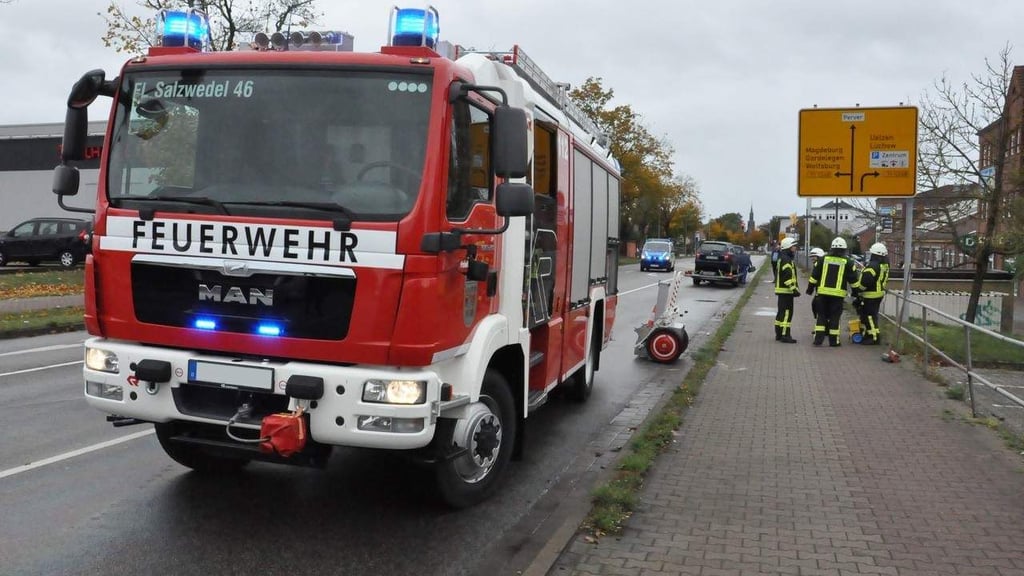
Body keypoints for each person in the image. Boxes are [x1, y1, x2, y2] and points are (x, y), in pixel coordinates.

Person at [807, 237, 859, 347]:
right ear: (844, 249)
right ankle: (834, 341)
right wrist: (856, 293)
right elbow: (853, 281)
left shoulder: (823, 259)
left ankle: (818, 340)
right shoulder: (848, 262)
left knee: (821, 316)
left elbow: (814, 277)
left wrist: (810, 289)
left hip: (822, 294)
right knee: (835, 317)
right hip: (837, 296)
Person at [851, 242, 890, 345]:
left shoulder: (872, 266)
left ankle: (874, 337)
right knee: (872, 316)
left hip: (870, 295)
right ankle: (870, 334)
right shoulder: (884, 265)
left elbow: (866, 281)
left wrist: (858, 291)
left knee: (869, 317)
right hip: (878, 294)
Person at [774, 237, 800, 343]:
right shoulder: (787, 259)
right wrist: (794, 289)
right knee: (787, 314)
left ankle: (779, 334)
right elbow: (787, 276)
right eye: (793, 246)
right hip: (786, 291)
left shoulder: (782, 258)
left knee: (781, 313)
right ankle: (785, 335)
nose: (795, 248)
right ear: (788, 247)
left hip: (782, 291)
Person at [808, 247, 826, 328]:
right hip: (820, 290)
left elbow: (814, 279)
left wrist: (809, 289)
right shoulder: (819, 264)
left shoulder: (819, 265)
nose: (812, 258)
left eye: (814, 256)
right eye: (811, 257)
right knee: (816, 306)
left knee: (818, 307)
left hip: (822, 291)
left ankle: (821, 327)